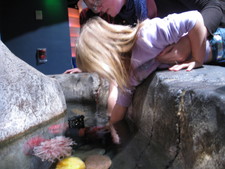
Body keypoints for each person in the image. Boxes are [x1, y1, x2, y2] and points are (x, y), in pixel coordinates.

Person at [74, 10, 225, 143]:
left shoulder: (146, 37)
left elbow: (194, 19)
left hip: (217, 41)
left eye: (99, 70)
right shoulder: (131, 72)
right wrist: (110, 126)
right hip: (214, 56)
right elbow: (122, 102)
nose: (102, 76)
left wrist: (196, 59)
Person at [78, 0, 225, 64]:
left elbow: (214, 5)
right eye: (91, 6)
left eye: (97, 1)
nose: (97, 9)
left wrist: (188, 43)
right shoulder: (124, 20)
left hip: (216, 36)